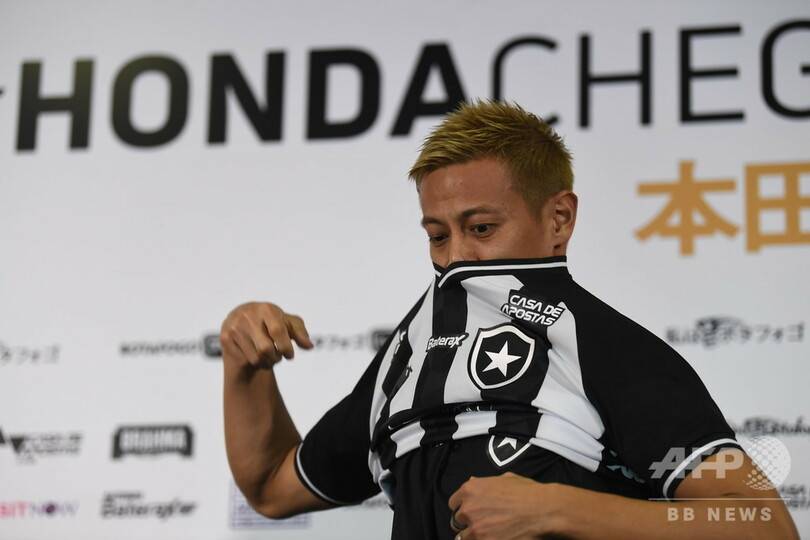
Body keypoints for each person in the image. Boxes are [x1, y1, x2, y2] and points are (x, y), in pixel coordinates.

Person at [221, 100, 798, 539]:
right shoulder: (407, 354)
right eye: (437, 235)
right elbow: (271, 487)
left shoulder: (603, 346)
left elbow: (761, 523)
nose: (456, 257)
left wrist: (561, 509)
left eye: (481, 229)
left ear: (559, 219)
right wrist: (244, 364)